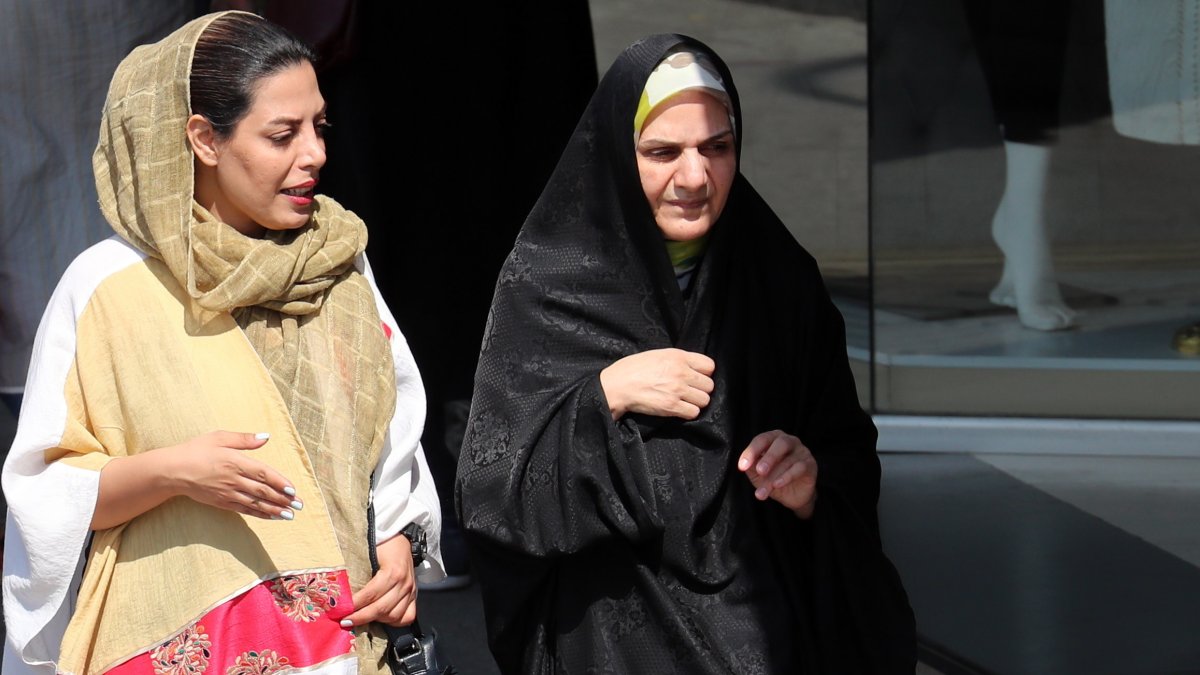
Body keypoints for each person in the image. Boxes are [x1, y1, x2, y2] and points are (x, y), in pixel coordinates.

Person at [456, 34, 916, 674]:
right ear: (619, 154)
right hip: (612, 637)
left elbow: (847, 454)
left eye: (717, 149)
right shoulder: (549, 284)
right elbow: (491, 489)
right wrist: (606, 396)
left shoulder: (779, 281)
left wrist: (810, 486)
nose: (695, 177)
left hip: (765, 625)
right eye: (662, 152)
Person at [2, 12, 442, 675]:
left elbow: (391, 442)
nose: (315, 154)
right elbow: (45, 493)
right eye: (281, 135)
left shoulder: (339, 262)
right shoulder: (106, 289)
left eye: (319, 127)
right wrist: (174, 472)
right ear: (204, 140)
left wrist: (399, 544)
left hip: (342, 646)